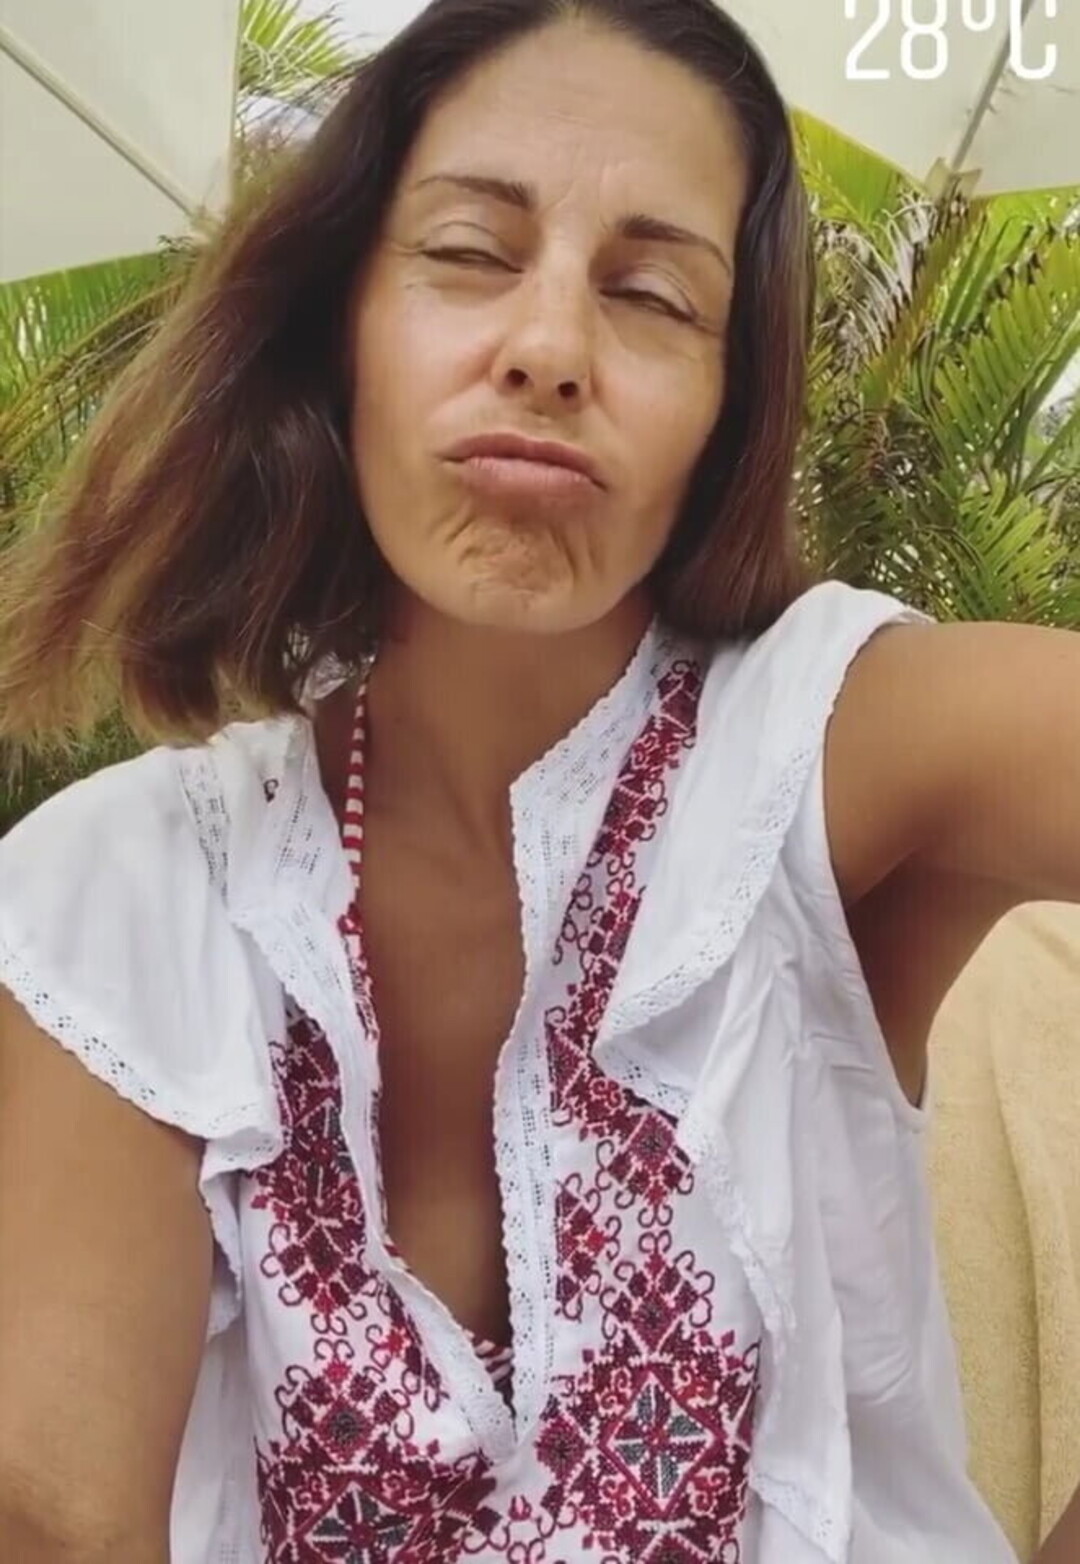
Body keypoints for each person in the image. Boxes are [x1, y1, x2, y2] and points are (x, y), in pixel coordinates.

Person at [0, 0, 1075, 1560]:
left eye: (652, 297)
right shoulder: (126, 900)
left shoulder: (829, 753)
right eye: (466, 253)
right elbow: (51, 1513)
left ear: (728, 408)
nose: (552, 350)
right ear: (339, 326)